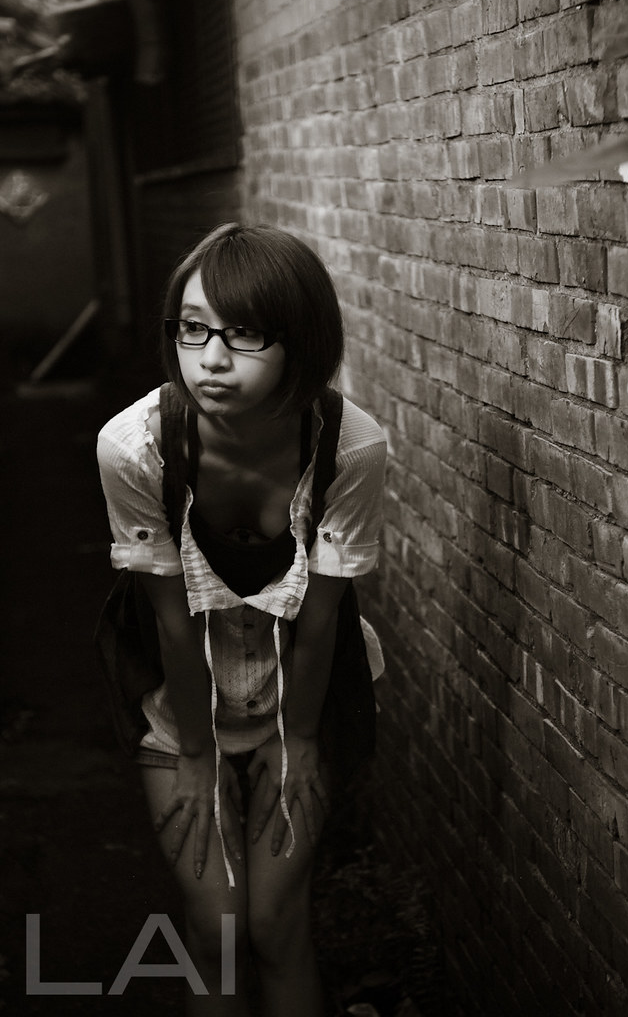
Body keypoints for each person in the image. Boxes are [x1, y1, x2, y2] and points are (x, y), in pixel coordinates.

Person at [96, 222, 387, 1017]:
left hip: (305, 695)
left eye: (246, 333)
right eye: (193, 328)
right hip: (179, 702)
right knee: (217, 930)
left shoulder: (350, 448)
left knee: (275, 924)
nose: (212, 359)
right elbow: (171, 621)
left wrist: (297, 742)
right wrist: (198, 754)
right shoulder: (134, 447)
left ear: (301, 340)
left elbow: (321, 622)